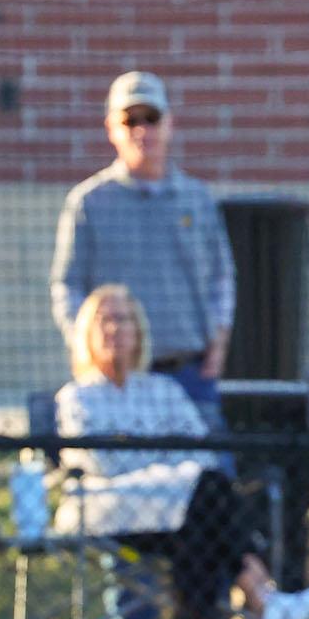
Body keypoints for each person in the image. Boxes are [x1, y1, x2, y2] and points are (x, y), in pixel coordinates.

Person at [54, 286, 309, 619]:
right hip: (113, 513)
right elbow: (106, 465)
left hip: (178, 511)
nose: (114, 329)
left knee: (197, 530)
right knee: (205, 498)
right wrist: (169, 471)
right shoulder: (76, 398)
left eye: (123, 318)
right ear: (86, 333)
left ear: (139, 331)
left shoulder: (164, 390)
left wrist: (163, 469)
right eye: (103, 320)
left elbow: (199, 451)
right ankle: (264, 602)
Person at [49, 71, 235, 423]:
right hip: (118, 380)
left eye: (151, 119)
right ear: (111, 128)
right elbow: (67, 285)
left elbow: (221, 278)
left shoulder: (197, 199)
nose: (141, 130)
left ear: (169, 124)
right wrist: (85, 346)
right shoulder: (90, 202)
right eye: (130, 120)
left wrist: (218, 346)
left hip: (188, 371)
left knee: (209, 473)